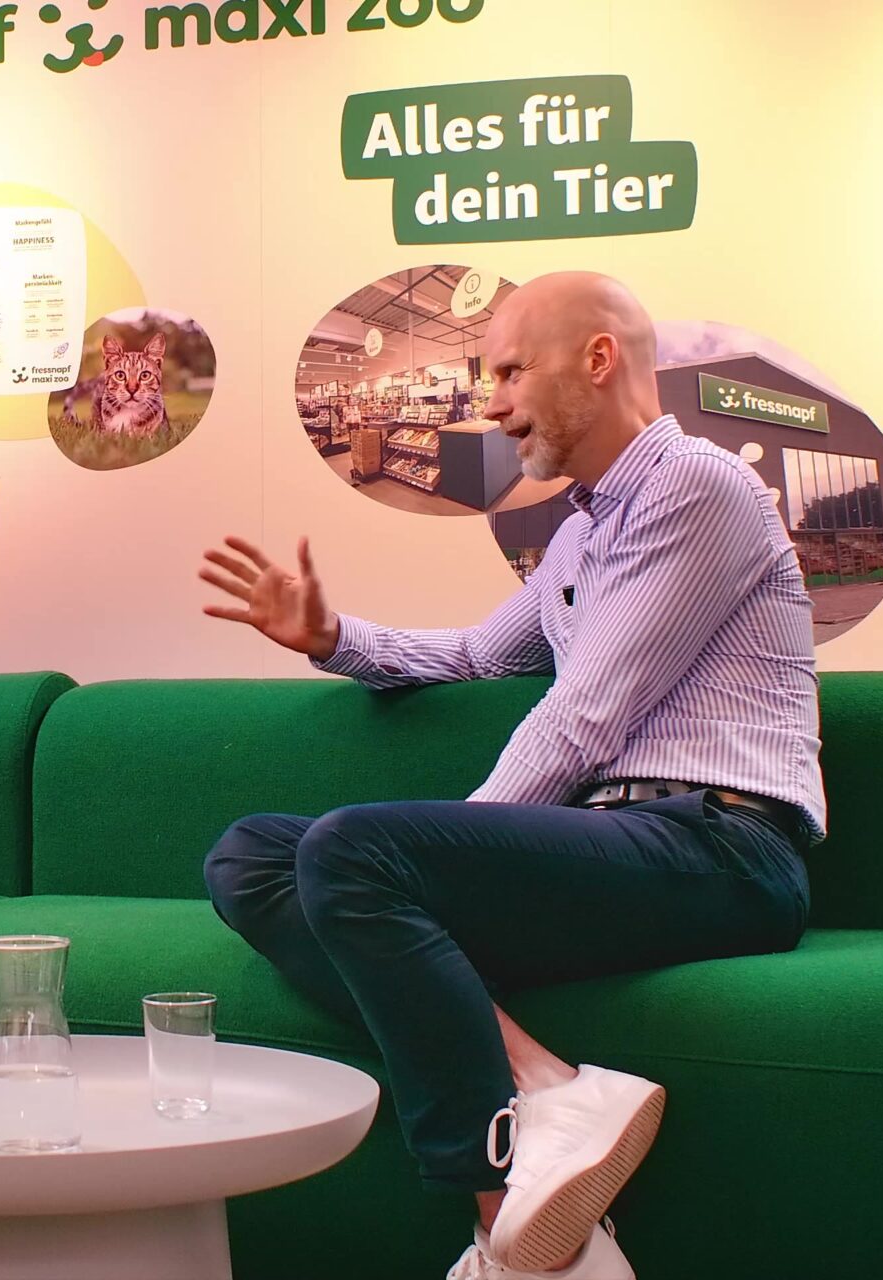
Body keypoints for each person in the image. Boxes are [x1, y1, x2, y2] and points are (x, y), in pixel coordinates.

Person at [199, 273, 821, 1280]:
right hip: (621, 847)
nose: (488, 404)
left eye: (508, 371)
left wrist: (432, 862)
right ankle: (545, 1088)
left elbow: (585, 715)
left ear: (597, 359)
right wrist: (332, 637)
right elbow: (478, 656)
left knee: (352, 853)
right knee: (251, 856)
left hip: (725, 847)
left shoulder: (698, 487)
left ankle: (507, 1239)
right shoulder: (578, 533)